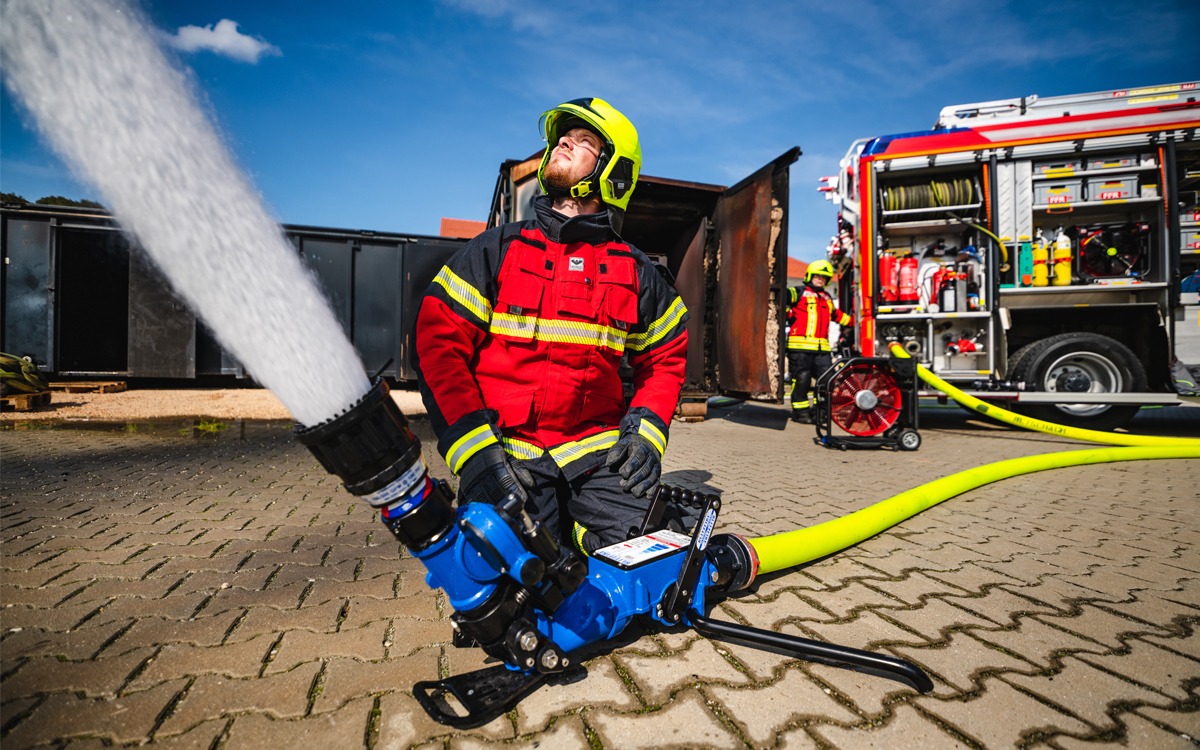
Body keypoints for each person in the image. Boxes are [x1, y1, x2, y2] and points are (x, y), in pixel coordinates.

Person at [414, 98, 689, 554]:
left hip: (596, 456)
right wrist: (476, 455)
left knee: (664, 549)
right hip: (509, 453)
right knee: (514, 577)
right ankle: (565, 536)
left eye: (584, 141)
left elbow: (664, 361)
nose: (563, 142)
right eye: (562, 137)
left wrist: (645, 434)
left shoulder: (637, 271)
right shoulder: (495, 250)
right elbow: (438, 346)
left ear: (614, 171)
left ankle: (578, 533)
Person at [785, 259, 852, 423]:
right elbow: (782, 299)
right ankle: (801, 413)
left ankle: (820, 411)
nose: (820, 279)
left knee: (827, 380)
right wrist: (788, 314)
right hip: (799, 347)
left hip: (822, 350)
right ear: (810, 276)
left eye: (824, 277)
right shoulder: (798, 291)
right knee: (802, 380)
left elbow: (837, 316)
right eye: (817, 276)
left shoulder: (827, 297)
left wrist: (856, 322)